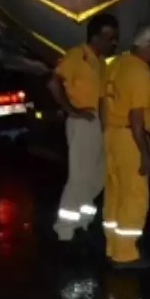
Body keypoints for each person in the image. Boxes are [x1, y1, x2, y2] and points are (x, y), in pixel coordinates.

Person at [48, 13, 118, 242]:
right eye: (109, 37)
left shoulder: (99, 62)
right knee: (79, 176)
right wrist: (72, 110)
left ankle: (83, 220)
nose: (113, 42)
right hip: (81, 122)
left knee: (97, 175)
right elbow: (53, 82)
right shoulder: (77, 56)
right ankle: (65, 230)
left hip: (96, 121)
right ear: (95, 37)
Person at [100, 24, 150, 270]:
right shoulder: (141, 74)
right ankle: (125, 254)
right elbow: (136, 118)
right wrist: (145, 153)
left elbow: (104, 102)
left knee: (114, 194)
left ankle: (112, 247)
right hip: (130, 138)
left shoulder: (115, 64)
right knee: (135, 196)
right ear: (148, 45)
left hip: (110, 135)